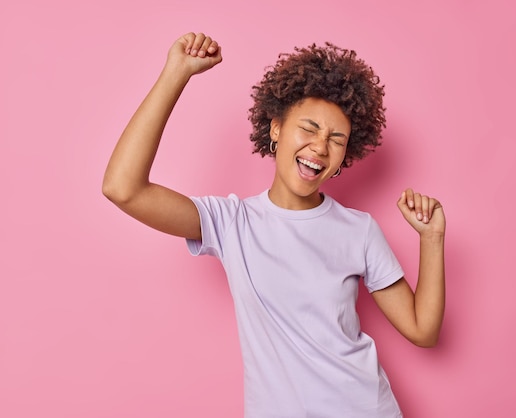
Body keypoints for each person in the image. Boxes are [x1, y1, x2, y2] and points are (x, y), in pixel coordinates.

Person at [103, 32, 446, 418]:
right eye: (309, 128)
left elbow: (423, 330)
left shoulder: (359, 229)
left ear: (342, 159)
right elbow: (123, 188)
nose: (320, 146)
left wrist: (432, 239)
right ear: (276, 129)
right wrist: (176, 73)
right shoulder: (232, 223)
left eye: (337, 140)